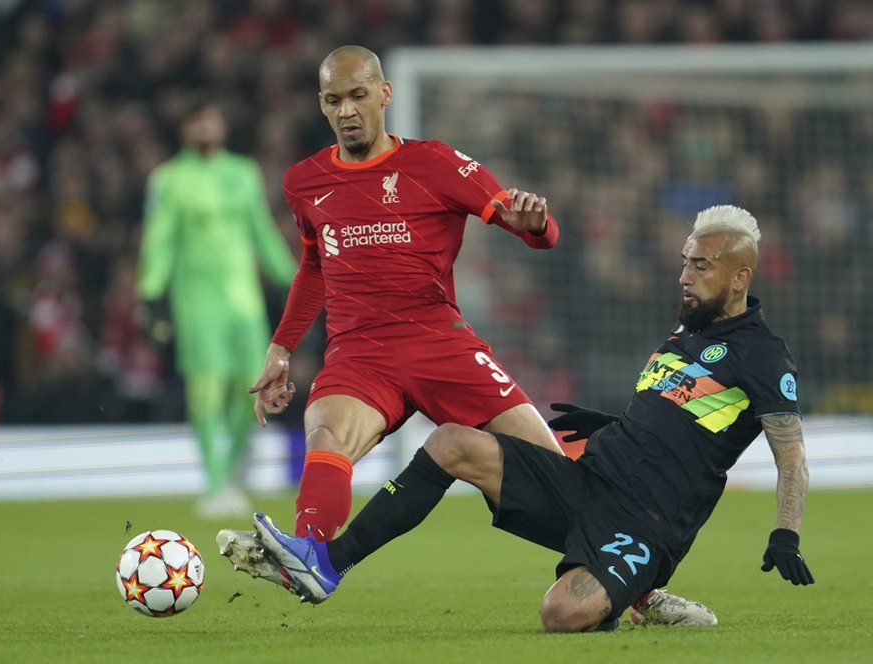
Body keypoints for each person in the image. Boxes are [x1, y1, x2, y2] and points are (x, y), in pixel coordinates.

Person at [218, 205, 814, 632]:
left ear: (740, 278)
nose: (685, 275)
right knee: (452, 441)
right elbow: (680, 420)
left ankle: (638, 589)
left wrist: (785, 532)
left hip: (647, 524)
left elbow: (792, 458)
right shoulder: (687, 332)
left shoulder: (763, 356)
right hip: (591, 481)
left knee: (562, 614)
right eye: (685, 262)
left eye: (702, 266)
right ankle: (328, 563)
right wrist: (610, 423)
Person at [249, 44, 566, 544]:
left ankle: (638, 587)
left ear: (384, 93)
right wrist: (281, 346)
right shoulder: (304, 182)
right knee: (326, 435)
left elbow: (529, 227)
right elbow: (315, 265)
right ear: (321, 104)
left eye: (358, 95)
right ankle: (307, 555)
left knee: (553, 474)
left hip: (440, 341)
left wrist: (538, 224)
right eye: (334, 100)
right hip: (359, 351)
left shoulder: (435, 163)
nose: (347, 111)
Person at [137, 101, 297, 518]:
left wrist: (295, 280)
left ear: (222, 125)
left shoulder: (243, 172)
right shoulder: (169, 179)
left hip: (244, 303)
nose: (206, 126)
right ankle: (214, 484)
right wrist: (151, 294)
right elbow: (160, 239)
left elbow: (262, 231)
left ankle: (226, 478)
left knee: (255, 388)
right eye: (198, 120)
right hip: (197, 303)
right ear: (186, 128)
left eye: (212, 118)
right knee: (206, 388)